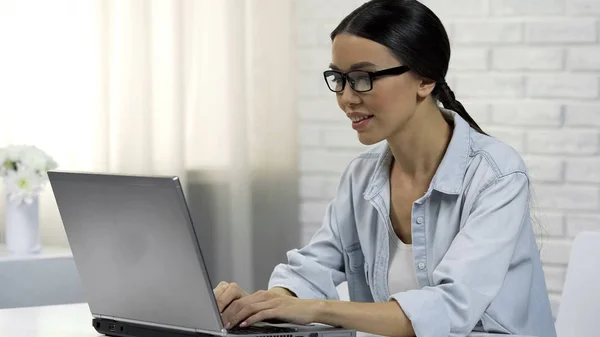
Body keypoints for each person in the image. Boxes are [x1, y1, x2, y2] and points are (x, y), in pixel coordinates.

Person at [213, 0, 557, 336]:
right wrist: (266, 303)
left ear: (424, 80)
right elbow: (314, 267)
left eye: (363, 77)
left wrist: (315, 310)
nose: (347, 97)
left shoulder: (497, 175)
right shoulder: (362, 176)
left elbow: (450, 308)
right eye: (339, 78)